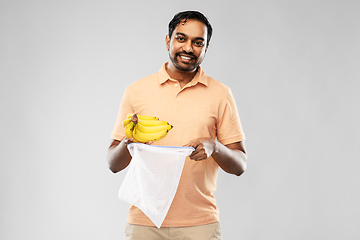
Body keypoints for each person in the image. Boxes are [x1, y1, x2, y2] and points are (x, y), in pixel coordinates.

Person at [107, 10, 247, 240]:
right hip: (144, 223)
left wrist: (214, 146)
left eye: (198, 42)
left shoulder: (221, 94)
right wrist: (128, 143)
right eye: (181, 38)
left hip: (200, 224)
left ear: (206, 48)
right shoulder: (137, 91)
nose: (189, 48)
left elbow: (240, 165)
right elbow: (113, 164)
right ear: (168, 41)